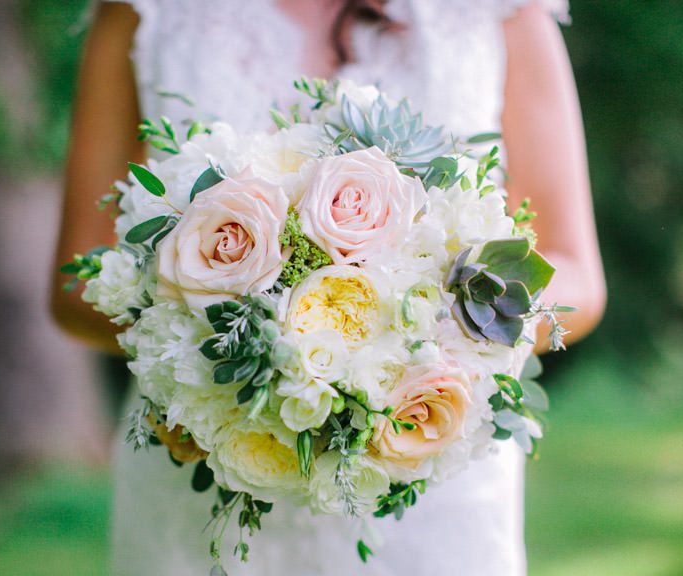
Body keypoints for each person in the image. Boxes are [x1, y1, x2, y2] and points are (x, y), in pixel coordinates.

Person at [52, 1, 606, 574]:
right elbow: (75, 286)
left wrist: (432, 345)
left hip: (433, 492)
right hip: (199, 485)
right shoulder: (149, 11)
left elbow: (575, 272)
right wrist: (223, 349)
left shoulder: (495, 11)